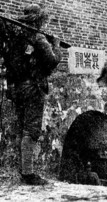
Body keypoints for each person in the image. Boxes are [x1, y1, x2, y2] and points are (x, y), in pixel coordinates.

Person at [0, 4, 61, 185]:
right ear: (38, 20)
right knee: (31, 130)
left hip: (15, 89)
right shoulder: (38, 37)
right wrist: (55, 45)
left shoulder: (12, 35)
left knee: (22, 128)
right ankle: (28, 173)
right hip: (33, 88)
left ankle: (21, 169)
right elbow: (52, 61)